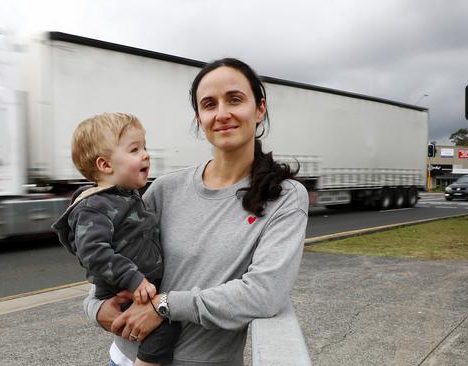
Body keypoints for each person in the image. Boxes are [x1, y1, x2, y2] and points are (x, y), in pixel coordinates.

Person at [84, 58, 309, 366]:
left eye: (234, 99)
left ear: (260, 108)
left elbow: (264, 294)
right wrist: (95, 307)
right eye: (209, 104)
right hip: (125, 358)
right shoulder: (166, 188)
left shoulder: (285, 197)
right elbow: (111, 255)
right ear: (200, 118)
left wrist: (164, 305)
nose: (222, 114)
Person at [52, 112, 181, 366]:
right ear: (105, 165)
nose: (146, 154)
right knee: (166, 325)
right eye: (135, 150)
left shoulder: (126, 196)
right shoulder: (93, 206)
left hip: (137, 288)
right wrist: (133, 278)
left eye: (144, 147)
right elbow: (93, 253)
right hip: (122, 291)